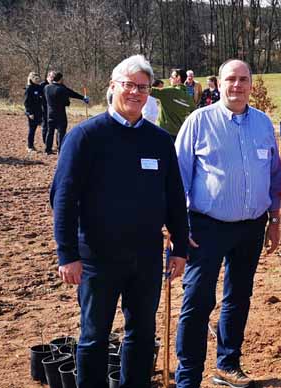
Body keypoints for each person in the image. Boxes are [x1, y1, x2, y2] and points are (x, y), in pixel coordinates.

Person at [50, 54, 189, 388]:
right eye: (128, 85)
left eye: (142, 87)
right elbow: (63, 199)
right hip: (97, 257)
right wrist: (67, 254)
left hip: (145, 257)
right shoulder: (85, 137)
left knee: (141, 334)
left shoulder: (159, 142)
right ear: (112, 87)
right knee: (94, 335)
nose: (135, 93)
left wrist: (181, 247)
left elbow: (174, 198)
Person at [174, 59, 281, 388]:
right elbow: (177, 177)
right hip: (205, 227)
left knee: (239, 296)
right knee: (197, 299)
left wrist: (275, 218)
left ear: (251, 84)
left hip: (251, 227)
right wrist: (178, 226)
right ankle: (188, 376)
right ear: (218, 84)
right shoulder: (198, 122)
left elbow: (274, 175)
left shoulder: (264, 124)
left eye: (243, 80)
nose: (237, 86)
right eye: (231, 79)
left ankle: (228, 363)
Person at [44, 71, 88, 154]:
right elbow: (67, 102)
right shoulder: (61, 89)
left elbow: (69, 92)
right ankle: (60, 150)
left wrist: (81, 97)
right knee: (61, 132)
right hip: (60, 113)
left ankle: (47, 149)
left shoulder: (46, 88)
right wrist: (82, 98)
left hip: (50, 113)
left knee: (50, 131)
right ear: (60, 79)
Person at [151, 68, 194, 140]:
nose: (170, 78)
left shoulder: (169, 92)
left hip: (163, 132)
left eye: (172, 76)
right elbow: (193, 111)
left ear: (178, 78)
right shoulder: (188, 97)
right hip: (179, 133)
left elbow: (149, 90)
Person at [24, 72, 45, 152]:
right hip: (32, 113)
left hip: (39, 112)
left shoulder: (39, 87)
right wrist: (29, 113)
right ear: (31, 79)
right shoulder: (29, 88)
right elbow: (26, 102)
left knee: (43, 127)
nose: (37, 80)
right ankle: (29, 146)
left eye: (38, 78)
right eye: (35, 78)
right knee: (32, 129)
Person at [40, 71, 54, 147]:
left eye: (53, 77)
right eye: (51, 77)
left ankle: (49, 143)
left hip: (53, 109)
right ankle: (45, 142)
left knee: (51, 127)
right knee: (45, 126)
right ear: (47, 77)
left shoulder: (55, 85)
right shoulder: (42, 85)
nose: (52, 79)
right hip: (44, 108)